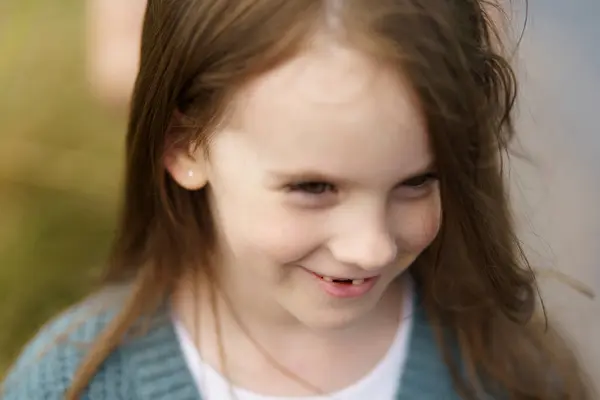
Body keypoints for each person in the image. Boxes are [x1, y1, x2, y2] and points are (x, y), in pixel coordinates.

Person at [2, 1, 593, 399]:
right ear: (184, 146)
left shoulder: (503, 370)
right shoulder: (73, 381)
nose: (370, 247)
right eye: (313, 188)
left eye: (419, 181)